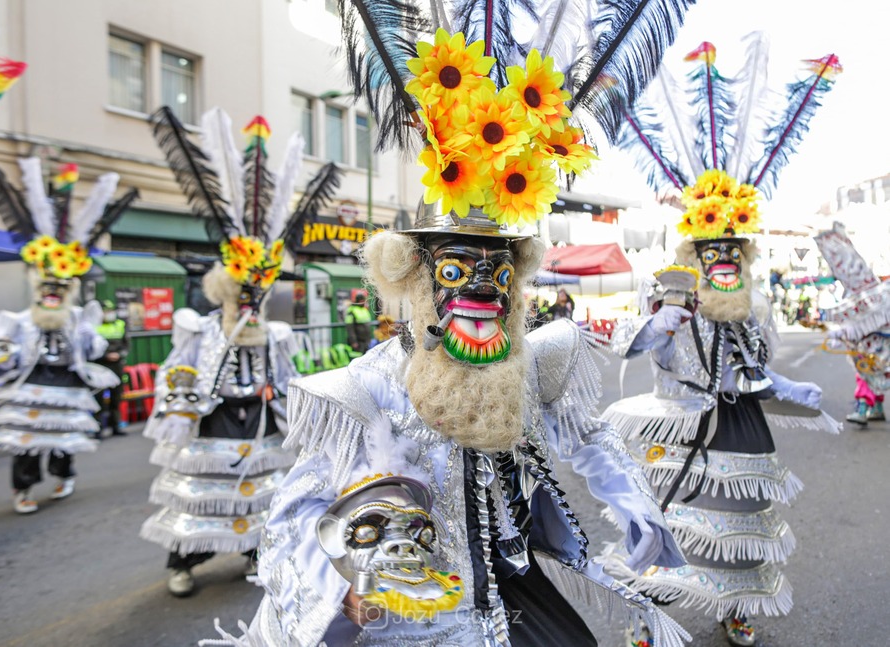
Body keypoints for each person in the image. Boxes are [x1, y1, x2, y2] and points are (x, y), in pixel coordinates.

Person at [200, 17, 701, 647]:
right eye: (457, 269)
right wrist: (339, 584)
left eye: (498, 271)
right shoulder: (370, 387)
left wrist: (632, 504)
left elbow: (586, 437)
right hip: (414, 615)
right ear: (414, 278)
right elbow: (298, 509)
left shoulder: (527, 364)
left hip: (511, 589)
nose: (483, 288)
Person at [603, 37, 841, 646]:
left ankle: (733, 610)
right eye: (713, 251)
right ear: (695, 253)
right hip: (674, 429)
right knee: (663, 527)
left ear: (744, 255)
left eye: (732, 251)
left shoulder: (756, 307)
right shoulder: (669, 296)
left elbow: (758, 368)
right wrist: (657, 326)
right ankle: (647, 617)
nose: (723, 260)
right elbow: (627, 343)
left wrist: (787, 386)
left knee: (736, 531)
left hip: (738, 429)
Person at [140, 107, 304, 597]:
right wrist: (181, 406)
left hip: (258, 418)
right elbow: (178, 370)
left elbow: (288, 376)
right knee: (204, 494)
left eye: (256, 294)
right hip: (213, 420)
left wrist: (287, 401)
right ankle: (184, 561)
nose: (250, 303)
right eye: (242, 294)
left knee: (263, 496)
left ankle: (258, 554)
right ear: (225, 291)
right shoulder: (199, 328)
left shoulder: (275, 334)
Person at [0, 159, 137, 513]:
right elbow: (2, 354)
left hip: (66, 381)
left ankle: (63, 475)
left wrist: (89, 331)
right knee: (27, 443)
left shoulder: (75, 318)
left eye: (60, 288)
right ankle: (22, 489)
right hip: (32, 382)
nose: (52, 294)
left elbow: (94, 346)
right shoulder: (19, 319)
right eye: (47, 287)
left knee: (62, 440)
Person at [815, 222, 890, 429]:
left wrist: (839, 332)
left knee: (868, 374)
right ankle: (875, 408)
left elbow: (861, 323)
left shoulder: (878, 292)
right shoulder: (867, 291)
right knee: (872, 374)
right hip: (871, 345)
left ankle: (863, 409)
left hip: (876, 345)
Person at [94, 299, 130, 437]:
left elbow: (126, 345)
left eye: (110, 311)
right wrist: (105, 355)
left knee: (116, 397)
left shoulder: (120, 324)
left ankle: (115, 426)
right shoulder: (93, 326)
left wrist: (119, 354)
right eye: (105, 311)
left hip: (116, 365)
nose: (109, 314)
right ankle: (98, 428)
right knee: (99, 398)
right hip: (100, 365)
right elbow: (90, 348)